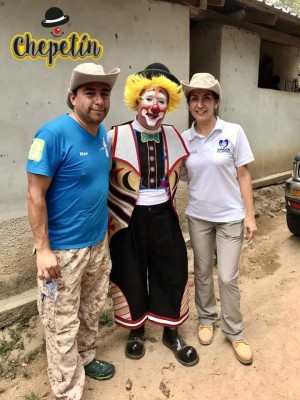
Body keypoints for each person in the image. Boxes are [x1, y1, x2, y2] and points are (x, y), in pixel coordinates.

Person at [26, 62, 120, 399]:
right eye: (90, 92)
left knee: (91, 310)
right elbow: (34, 194)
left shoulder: (103, 135)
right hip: (62, 253)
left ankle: (87, 358)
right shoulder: (51, 135)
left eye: (104, 93)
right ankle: (67, 390)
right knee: (61, 324)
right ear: (73, 97)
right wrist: (43, 249)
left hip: (96, 244)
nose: (98, 100)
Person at [107, 63, 199, 367]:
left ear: (168, 105)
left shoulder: (174, 135)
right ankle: (136, 329)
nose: (154, 106)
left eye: (161, 100)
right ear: (136, 100)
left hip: (164, 213)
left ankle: (171, 330)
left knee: (172, 268)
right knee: (130, 270)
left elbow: (185, 172)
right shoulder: (114, 136)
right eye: (149, 98)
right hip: (126, 217)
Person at [180, 73, 257, 365]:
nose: (200, 104)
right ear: (189, 104)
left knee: (227, 276)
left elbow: (244, 175)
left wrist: (249, 215)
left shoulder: (233, 132)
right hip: (198, 217)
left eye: (206, 98)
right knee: (201, 272)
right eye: (195, 98)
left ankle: (235, 332)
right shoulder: (184, 139)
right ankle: (206, 318)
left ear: (216, 102)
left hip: (230, 217)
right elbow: (180, 175)